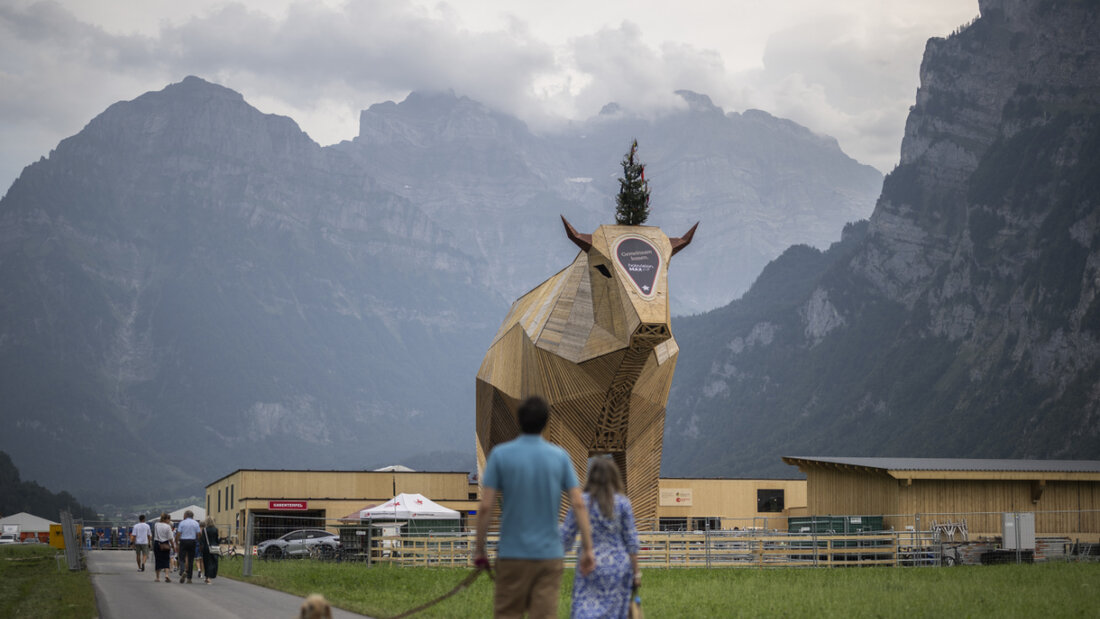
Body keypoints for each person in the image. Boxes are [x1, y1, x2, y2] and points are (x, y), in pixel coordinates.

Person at [474, 396, 596, 618]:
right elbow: (578, 503)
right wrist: (588, 548)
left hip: (511, 554)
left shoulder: (500, 455)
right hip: (548, 555)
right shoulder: (560, 457)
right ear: (546, 422)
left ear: (519, 420)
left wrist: (479, 548)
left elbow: (485, 507)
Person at [561, 457, 641, 619]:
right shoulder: (623, 503)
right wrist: (636, 572)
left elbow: (566, 535)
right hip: (619, 566)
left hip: (589, 564)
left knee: (585, 609)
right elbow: (631, 542)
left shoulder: (582, 502)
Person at [175, 509, 201, 583]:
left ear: (186, 515)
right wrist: (199, 541)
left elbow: (178, 533)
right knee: (190, 560)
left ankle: (183, 570)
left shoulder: (182, 523)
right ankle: (189, 578)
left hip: (183, 541)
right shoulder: (196, 523)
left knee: (181, 557)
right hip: (192, 541)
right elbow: (199, 534)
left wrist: (177, 542)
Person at [152, 512, 176, 583]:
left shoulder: (156, 525)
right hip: (165, 544)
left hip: (157, 543)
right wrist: (173, 546)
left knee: (158, 560)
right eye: (169, 520)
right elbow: (170, 538)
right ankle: (167, 575)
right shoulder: (168, 527)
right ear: (166, 519)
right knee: (166, 559)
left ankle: (157, 577)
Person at [199, 516, 220, 584]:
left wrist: (201, 547)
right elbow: (217, 539)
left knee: (206, 562)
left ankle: (207, 576)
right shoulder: (216, 529)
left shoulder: (204, 530)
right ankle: (210, 577)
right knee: (213, 562)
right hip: (214, 547)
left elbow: (202, 540)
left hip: (206, 548)